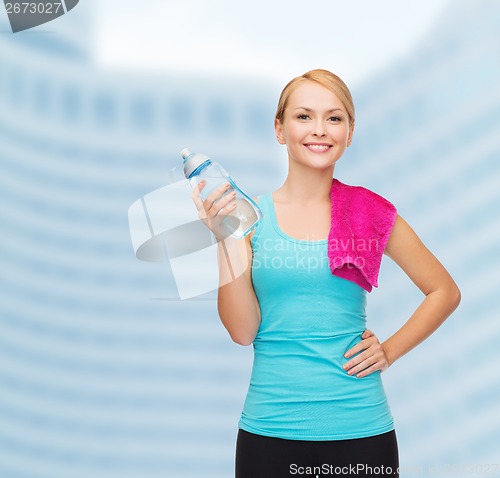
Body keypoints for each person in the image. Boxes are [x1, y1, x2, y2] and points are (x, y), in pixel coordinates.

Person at [191, 69, 461, 478]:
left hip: (362, 433)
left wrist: (389, 350)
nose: (320, 129)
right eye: (304, 116)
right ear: (279, 129)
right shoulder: (250, 219)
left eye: (334, 118)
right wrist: (225, 238)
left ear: (350, 132)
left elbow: (444, 290)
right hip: (269, 433)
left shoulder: (372, 213)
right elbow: (242, 332)